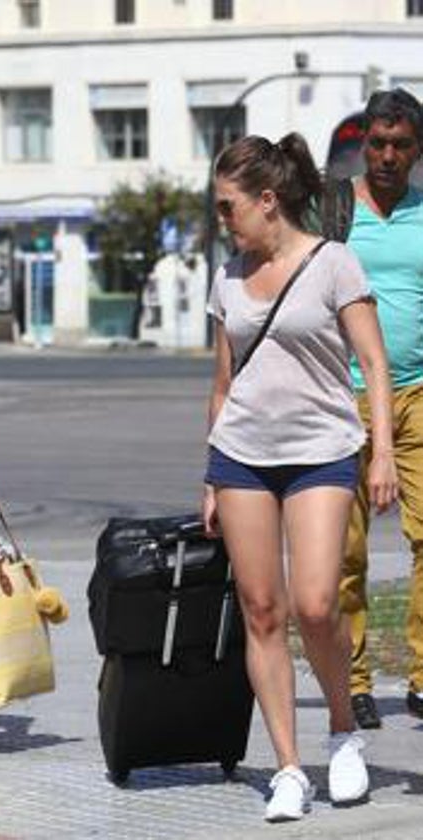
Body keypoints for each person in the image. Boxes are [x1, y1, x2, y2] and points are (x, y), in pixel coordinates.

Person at [202, 133, 397, 822]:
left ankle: (343, 731)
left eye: (229, 207)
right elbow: (224, 383)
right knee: (262, 611)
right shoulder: (227, 276)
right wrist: (209, 473)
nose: (223, 220)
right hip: (242, 457)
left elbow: (373, 363)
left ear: (267, 199)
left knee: (316, 604)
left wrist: (380, 454)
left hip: (321, 449)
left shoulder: (334, 264)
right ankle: (288, 766)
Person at [336, 88, 423, 730]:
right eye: (378, 143)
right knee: (344, 553)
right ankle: (354, 678)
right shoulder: (336, 213)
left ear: (417, 150)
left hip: (418, 395)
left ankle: (422, 678)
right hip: (340, 398)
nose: (388, 156)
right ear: (363, 144)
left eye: (401, 145)